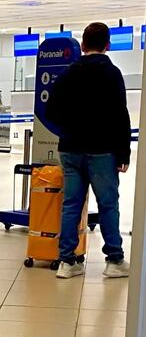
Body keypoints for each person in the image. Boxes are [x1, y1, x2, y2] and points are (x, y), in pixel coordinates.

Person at [46, 22, 131, 279]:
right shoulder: (112, 74)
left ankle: (67, 262)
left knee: (71, 205)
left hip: (71, 149)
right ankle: (114, 260)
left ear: (82, 45)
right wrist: (123, 154)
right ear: (108, 45)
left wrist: (69, 131)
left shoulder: (67, 74)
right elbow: (121, 116)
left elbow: (50, 111)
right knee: (107, 204)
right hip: (102, 150)